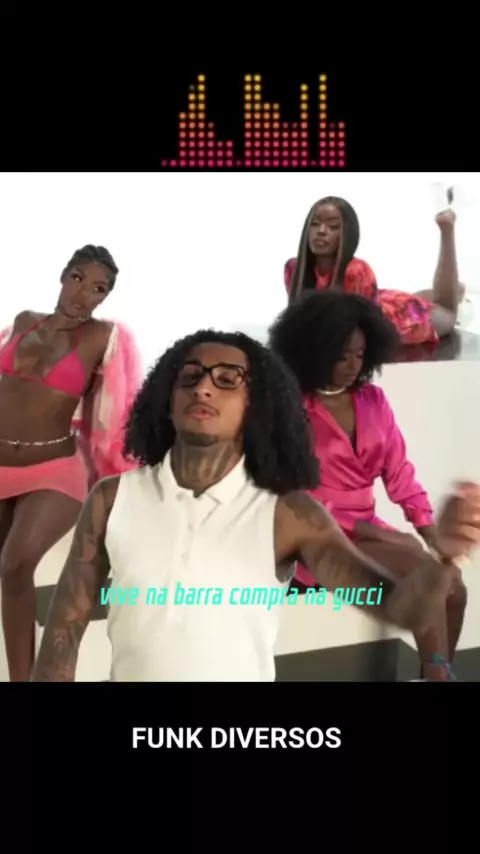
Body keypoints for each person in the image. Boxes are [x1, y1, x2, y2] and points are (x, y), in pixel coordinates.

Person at [31, 330, 478, 683]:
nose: (204, 388)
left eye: (227, 380)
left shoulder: (290, 515)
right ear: (167, 399)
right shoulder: (112, 499)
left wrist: (443, 557)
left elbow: (400, 609)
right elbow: (63, 632)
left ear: (255, 407)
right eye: (190, 377)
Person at [268, 290, 468, 681]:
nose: (352, 365)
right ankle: (437, 676)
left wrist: (430, 532)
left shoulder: (373, 400)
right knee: (425, 576)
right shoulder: (289, 408)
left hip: (365, 526)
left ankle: (439, 669)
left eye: (360, 355)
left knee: (455, 589)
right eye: (342, 355)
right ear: (315, 350)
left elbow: (400, 473)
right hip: (319, 534)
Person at [0, 244, 142, 682]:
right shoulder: (23, 322)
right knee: (6, 575)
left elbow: (118, 410)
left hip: (54, 469)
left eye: (98, 289)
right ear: (63, 276)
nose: (84, 294)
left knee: (15, 564)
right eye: (78, 279)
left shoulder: (103, 337)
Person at [284, 195, 463, 346]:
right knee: (412, 298)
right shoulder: (294, 268)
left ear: (347, 234)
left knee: (447, 312)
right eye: (315, 224)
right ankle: (456, 290)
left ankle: (447, 228)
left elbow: (360, 334)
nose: (321, 231)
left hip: (398, 321)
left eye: (333, 226)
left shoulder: (355, 271)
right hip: (379, 301)